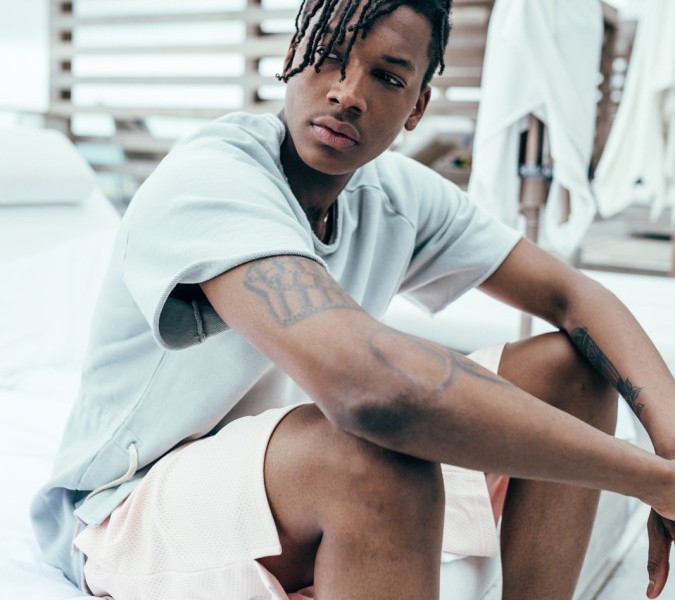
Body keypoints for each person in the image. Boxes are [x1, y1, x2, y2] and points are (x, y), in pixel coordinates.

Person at [31, 1, 675, 599]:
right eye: (329, 58)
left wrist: (671, 447)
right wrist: (650, 479)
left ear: (417, 106)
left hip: (288, 473)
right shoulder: (213, 180)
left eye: (387, 78)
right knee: (375, 452)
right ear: (292, 58)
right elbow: (367, 390)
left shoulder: (393, 194)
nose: (348, 93)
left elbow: (575, 295)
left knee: (571, 368)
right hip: (125, 508)